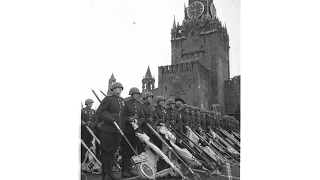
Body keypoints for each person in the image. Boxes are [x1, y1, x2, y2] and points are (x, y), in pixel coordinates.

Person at [96, 82, 125, 180]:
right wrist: (109, 118)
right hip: (107, 130)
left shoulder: (122, 101)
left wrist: (122, 129)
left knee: (113, 152)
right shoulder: (108, 99)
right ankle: (105, 174)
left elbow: (123, 117)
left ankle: (111, 173)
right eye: (117, 88)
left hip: (118, 130)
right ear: (113, 89)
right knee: (106, 152)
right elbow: (99, 112)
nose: (120, 89)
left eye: (121, 88)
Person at [122, 87, 145, 178]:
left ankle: (130, 168)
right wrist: (129, 121)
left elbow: (142, 116)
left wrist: (138, 122)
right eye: (134, 94)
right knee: (126, 150)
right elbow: (123, 116)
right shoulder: (126, 103)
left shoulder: (139, 104)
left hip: (136, 130)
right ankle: (124, 170)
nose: (136, 96)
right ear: (131, 95)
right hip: (127, 130)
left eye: (137, 94)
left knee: (132, 149)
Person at [81, 98, 98, 164]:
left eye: (92, 103)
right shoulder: (82, 111)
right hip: (84, 130)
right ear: (87, 104)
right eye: (90, 103)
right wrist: (85, 124)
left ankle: (90, 161)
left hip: (91, 131)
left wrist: (93, 125)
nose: (91, 104)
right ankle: (82, 160)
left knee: (91, 145)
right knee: (84, 146)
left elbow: (96, 120)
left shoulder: (93, 111)